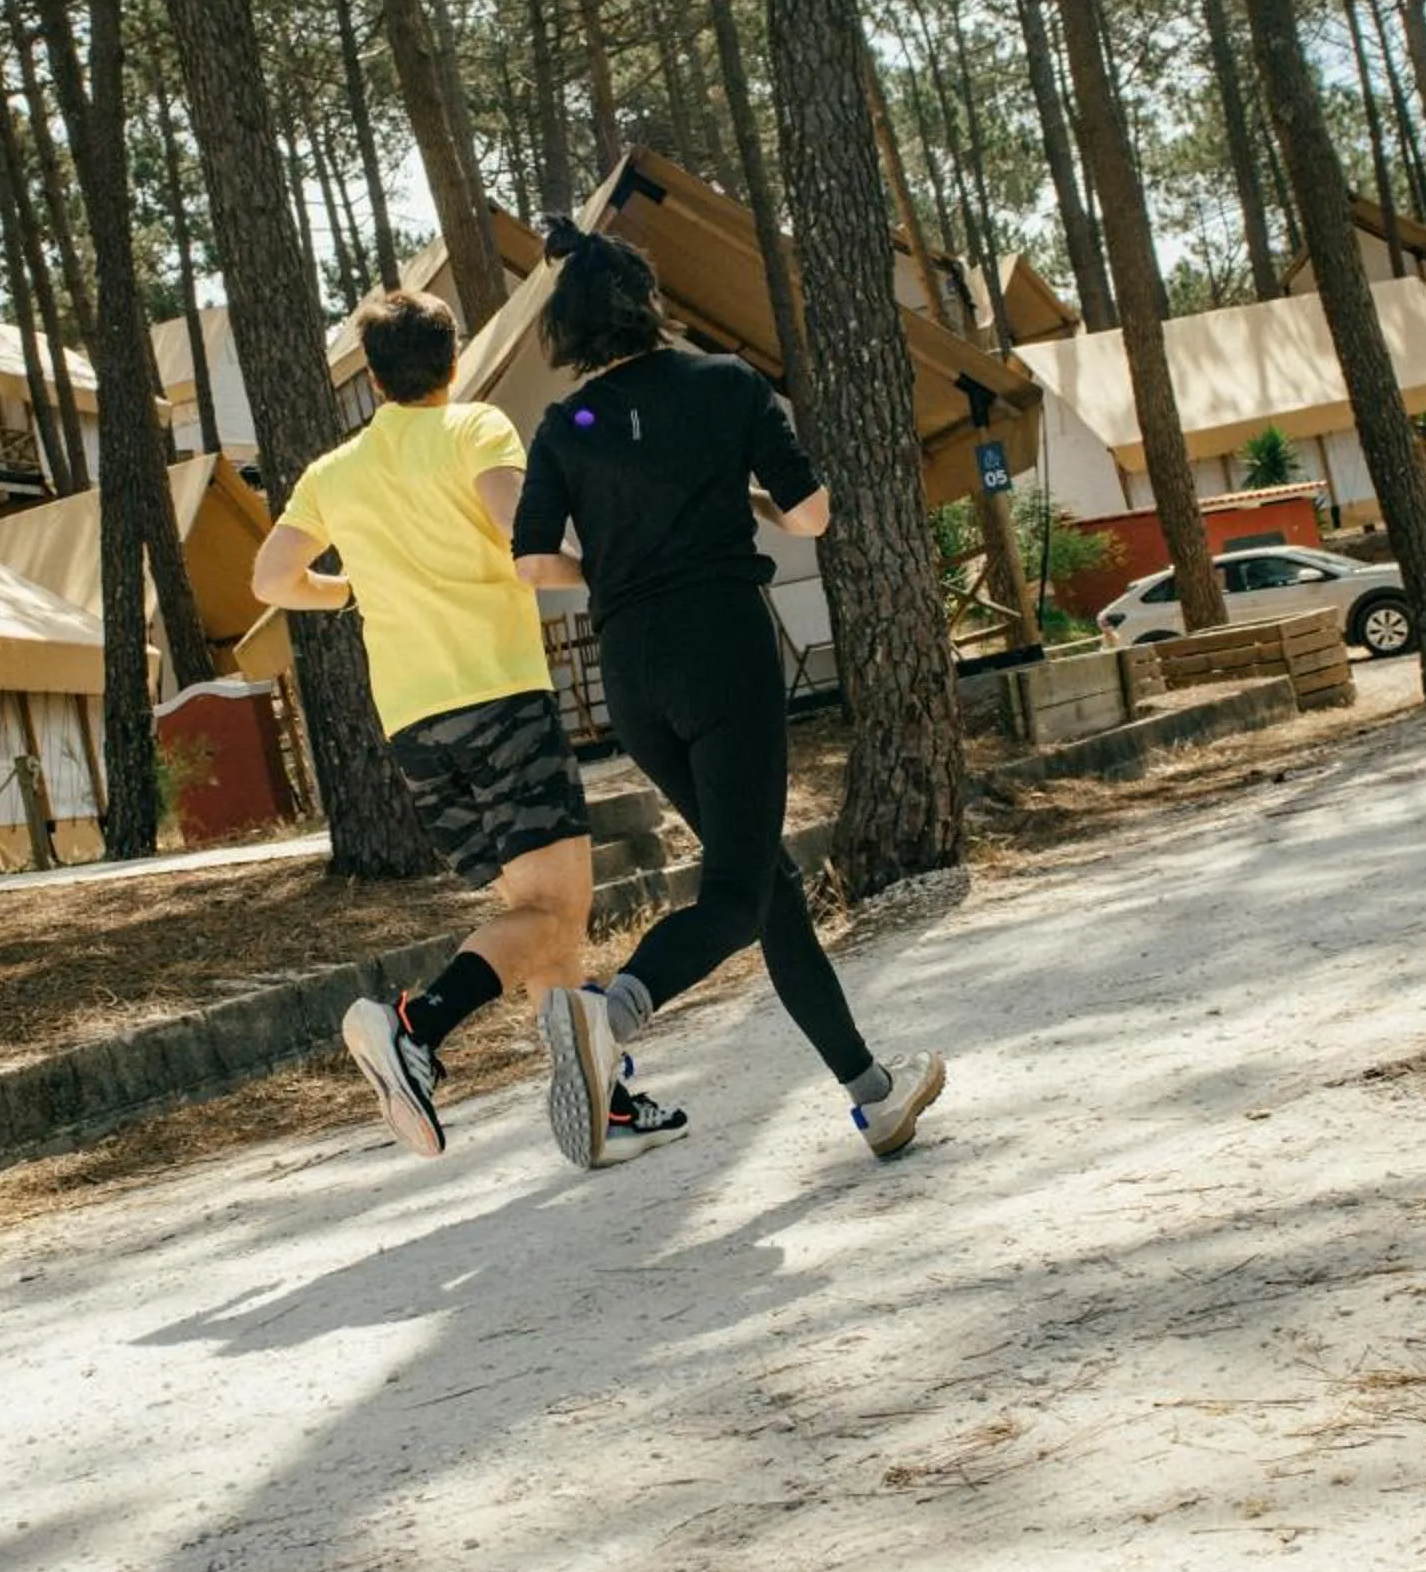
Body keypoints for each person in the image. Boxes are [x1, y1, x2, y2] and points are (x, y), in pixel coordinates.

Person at [510, 218, 945, 1169]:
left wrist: (620, 568)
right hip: (722, 647)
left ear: (572, 326)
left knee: (769, 888)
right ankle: (608, 1011)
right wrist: (739, 501)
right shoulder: (725, 383)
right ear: (648, 303)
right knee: (740, 891)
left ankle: (874, 1096)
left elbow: (536, 563)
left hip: (631, 666)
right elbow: (811, 514)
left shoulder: (565, 424)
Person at [250, 288, 687, 1165]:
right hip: (500, 699)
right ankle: (417, 1024)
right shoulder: (476, 429)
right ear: (453, 361)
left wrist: (347, 589)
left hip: (416, 725)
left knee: (538, 917)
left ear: (371, 379)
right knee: (559, 912)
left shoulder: (331, 474)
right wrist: (608, 565)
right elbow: (519, 537)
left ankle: (603, 1099)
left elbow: (270, 580)